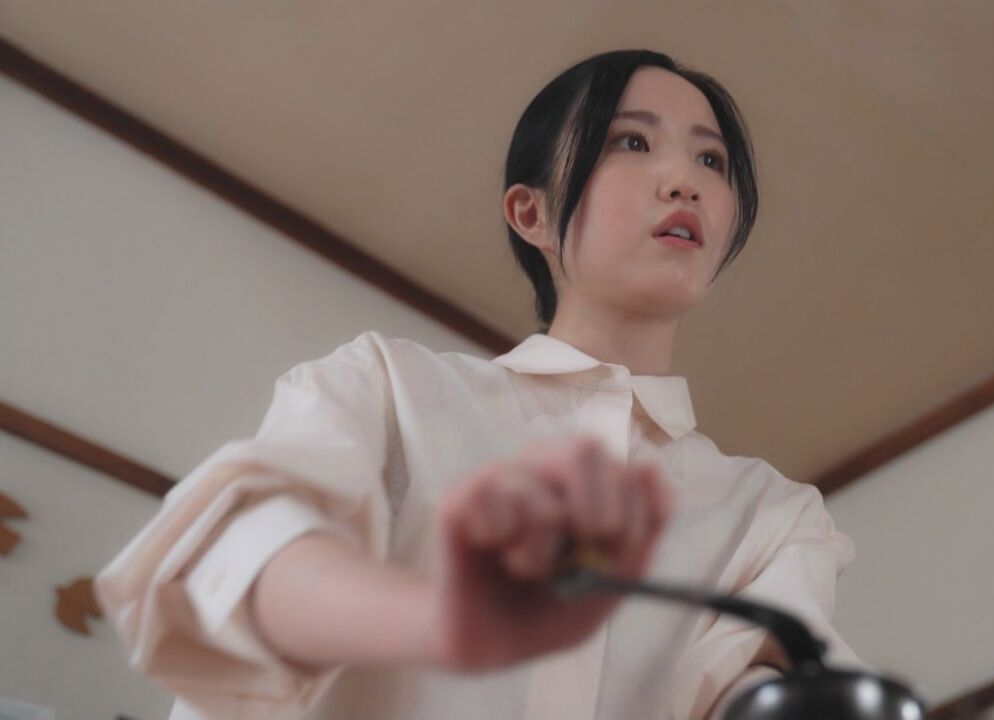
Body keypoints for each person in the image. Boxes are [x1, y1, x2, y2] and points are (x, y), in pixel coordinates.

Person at [95, 48, 866, 720]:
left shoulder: (773, 514)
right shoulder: (390, 387)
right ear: (532, 213)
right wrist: (441, 618)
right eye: (631, 141)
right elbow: (253, 559)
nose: (685, 182)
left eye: (712, 162)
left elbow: (755, 679)